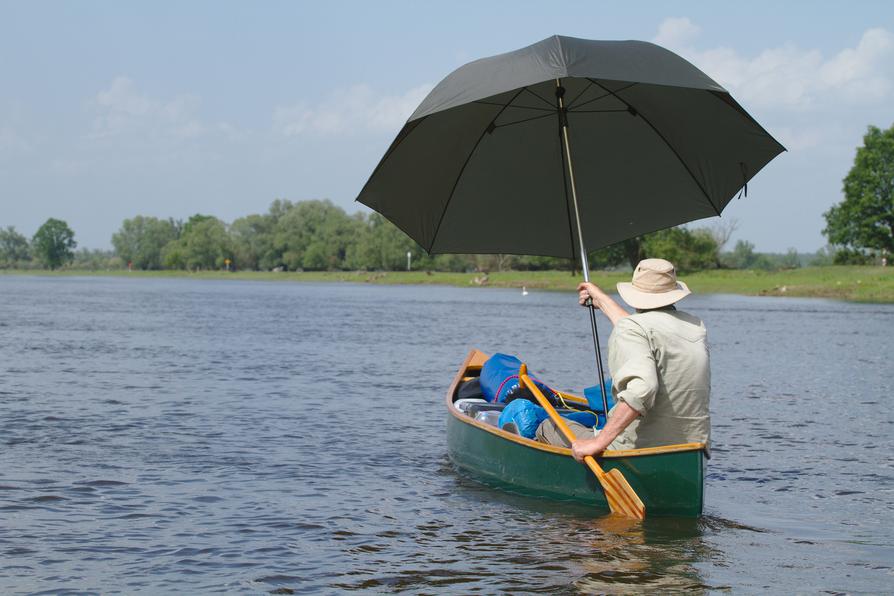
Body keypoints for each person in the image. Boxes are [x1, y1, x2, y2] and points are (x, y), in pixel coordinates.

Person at [536, 258, 711, 462]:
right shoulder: (695, 327)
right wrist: (600, 300)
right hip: (691, 452)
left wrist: (598, 442)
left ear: (636, 294)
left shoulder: (631, 329)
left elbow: (641, 389)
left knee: (548, 427)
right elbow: (640, 331)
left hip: (637, 451)